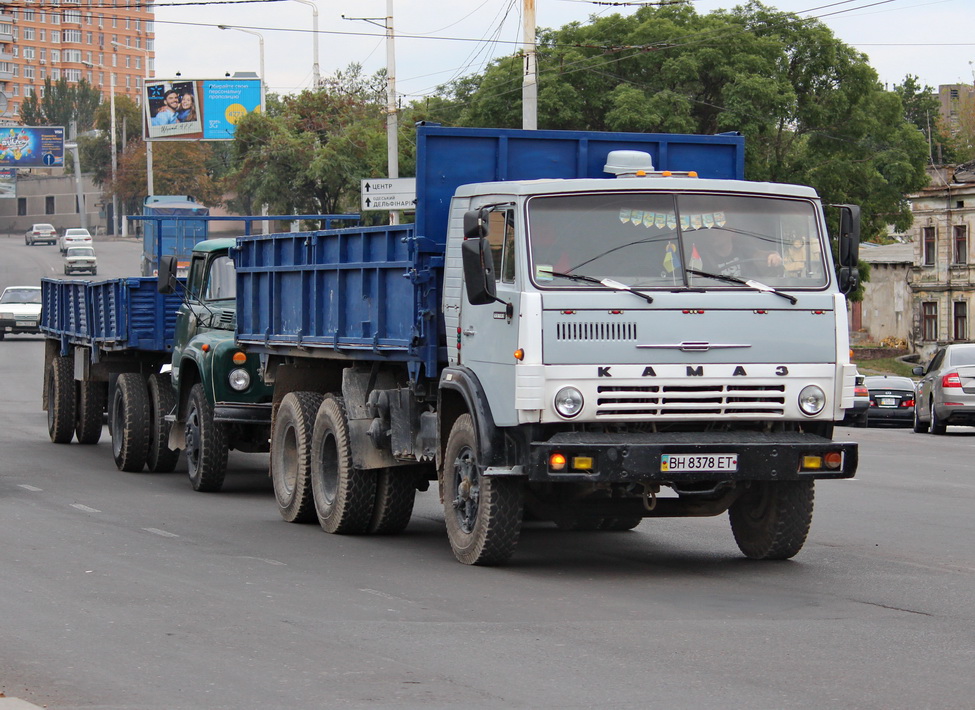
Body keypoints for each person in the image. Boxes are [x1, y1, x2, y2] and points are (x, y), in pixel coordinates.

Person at [688, 233, 783, 279]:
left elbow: (759, 255)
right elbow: (696, 280)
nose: (713, 235)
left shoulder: (742, 250)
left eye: (717, 231)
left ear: (730, 233)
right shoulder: (703, 258)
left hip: (748, 293)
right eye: (710, 232)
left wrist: (772, 256)